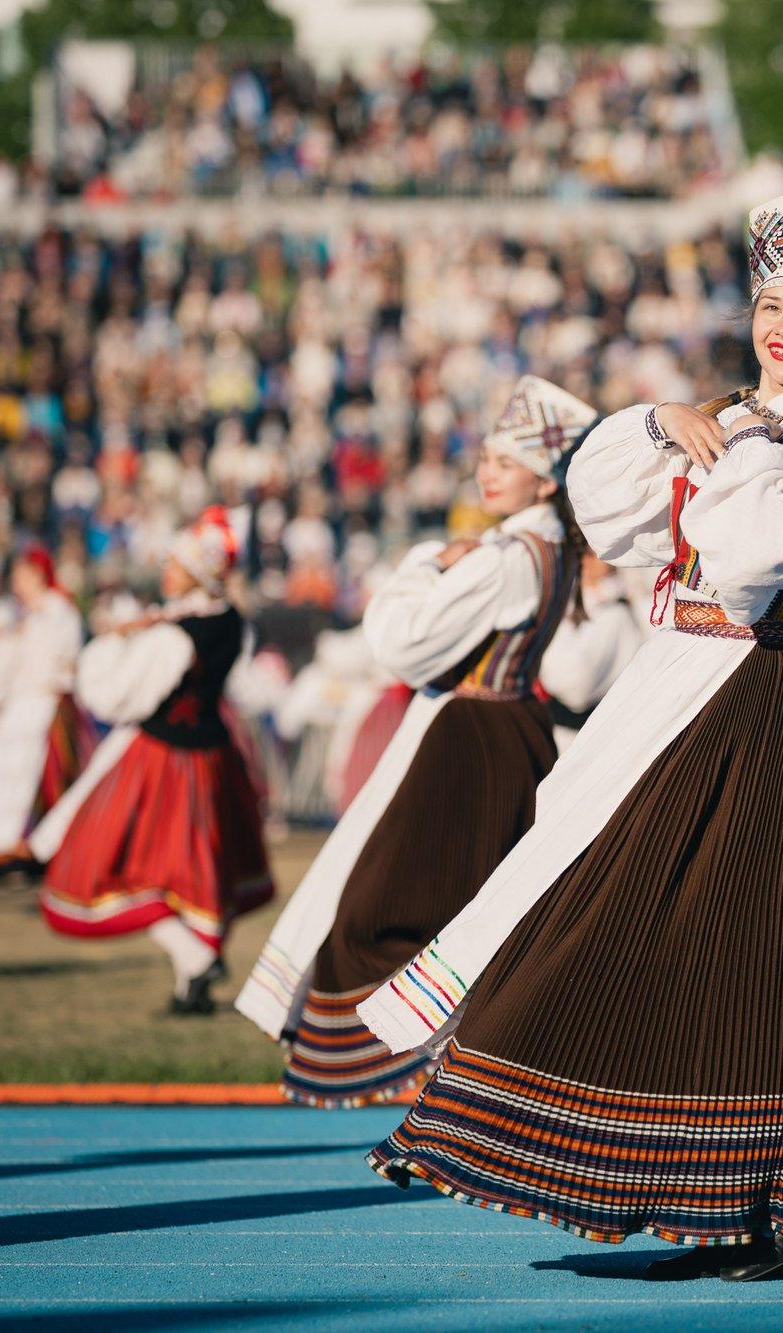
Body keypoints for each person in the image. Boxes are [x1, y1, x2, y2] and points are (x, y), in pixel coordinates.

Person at [352, 192, 783, 1283]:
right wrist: (657, 423)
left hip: (756, 707)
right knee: (603, 917)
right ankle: (691, 1188)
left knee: (723, 957)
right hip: (668, 691)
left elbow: (744, 560)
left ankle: (746, 1205)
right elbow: (613, 517)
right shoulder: (739, 420)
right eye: (770, 304)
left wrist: (732, 436)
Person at [236, 377, 592, 1107]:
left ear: (542, 478)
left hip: (467, 740)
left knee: (383, 904)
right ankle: (471, 1063)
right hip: (511, 729)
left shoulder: (502, 558)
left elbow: (400, 645)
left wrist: (425, 564)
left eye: (504, 461)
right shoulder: (543, 550)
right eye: (486, 458)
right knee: (468, 903)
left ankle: (423, 1058)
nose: (486, 472)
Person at [36, 507, 273, 1012]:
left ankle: (193, 961)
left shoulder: (172, 635)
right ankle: (193, 983)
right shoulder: (228, 620)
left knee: (114, 864)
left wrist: (115, 640)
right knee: (200, 871)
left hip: (162, 758)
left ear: (198, 572)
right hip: (213, 756)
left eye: (175, 562)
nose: (166, 570)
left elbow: (115, 698)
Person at [0, 547, 89, 877]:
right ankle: (0, 846)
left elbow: (62, 661)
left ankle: (26, 848)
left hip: (42, 705)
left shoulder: (58, 612)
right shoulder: (17, 613)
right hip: (17, 705)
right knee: (5, 777)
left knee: (32, 780)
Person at [540, 553, 646, 750]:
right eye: (580, 552)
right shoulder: (564, 601)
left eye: (593, 554)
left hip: (591, 736)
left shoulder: (616, 614)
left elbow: (577, 686)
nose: (586, 559)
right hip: (557, 730)